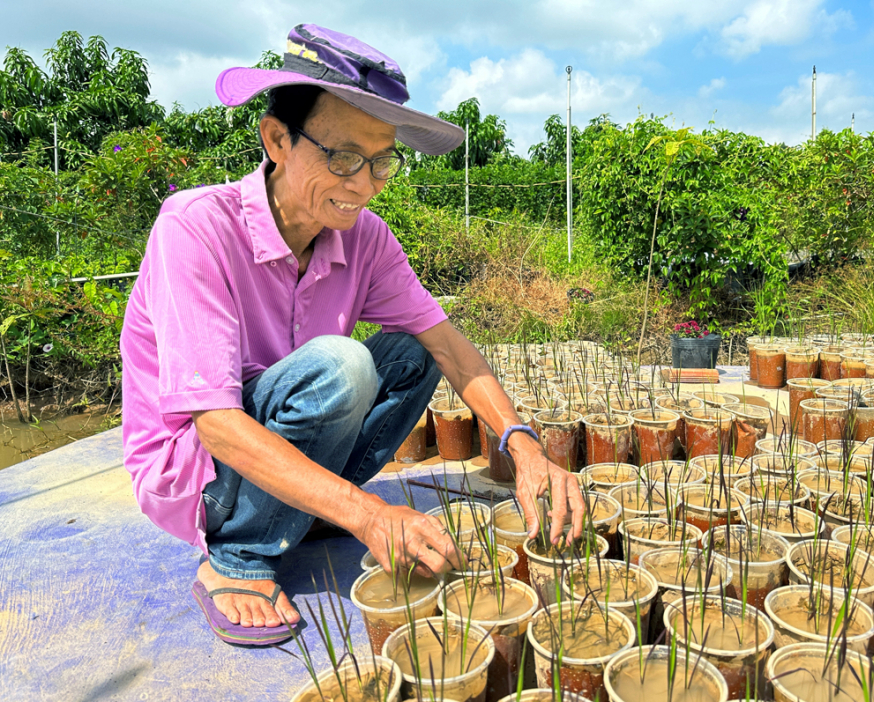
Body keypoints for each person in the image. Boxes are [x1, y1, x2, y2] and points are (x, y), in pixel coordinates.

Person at [119, 24, 585, 646]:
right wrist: (366, 513)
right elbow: (214, 423)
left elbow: (447, 344)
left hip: (290, 441)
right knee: (342, 367)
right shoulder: (197, 230)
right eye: (342, 158)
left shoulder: (365, 238)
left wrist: (526, 447)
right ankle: (237, 556)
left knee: (413, 350)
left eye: (381, 161)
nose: (363, 184)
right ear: (277, 139)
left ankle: (305, 511)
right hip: (199, 471)